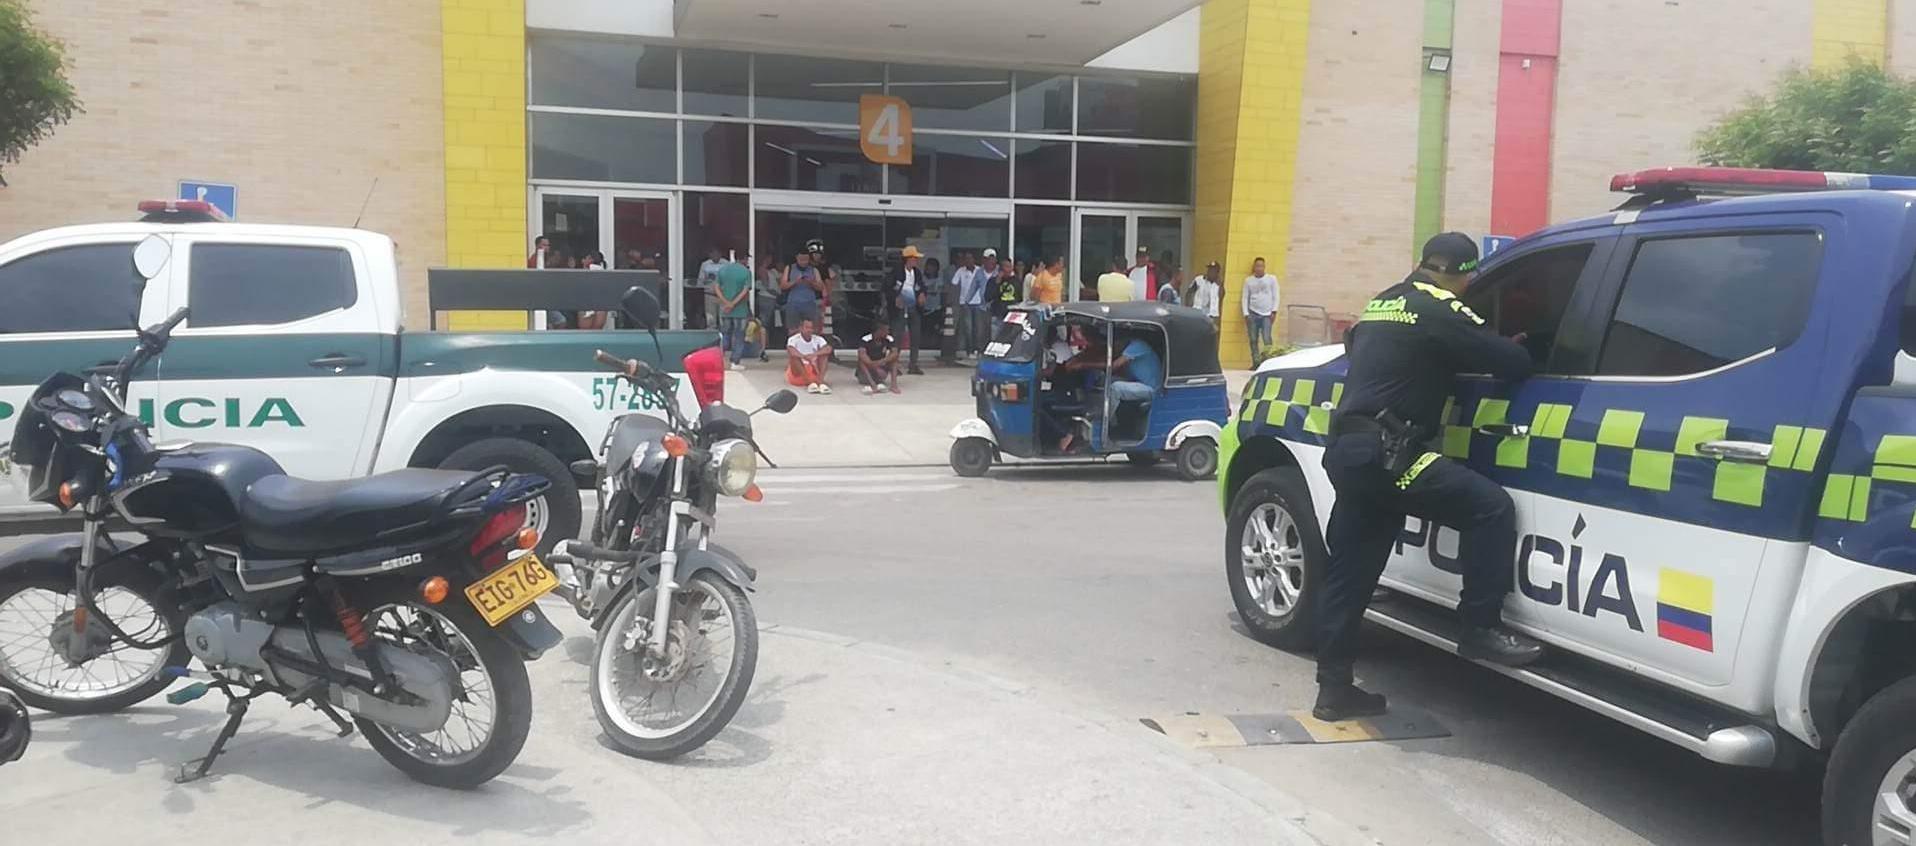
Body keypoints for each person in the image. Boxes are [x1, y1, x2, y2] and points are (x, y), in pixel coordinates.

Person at [1309, 232, 1540, 722]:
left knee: (1349, 575)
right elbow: (1514, 362)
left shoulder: (1383, 301)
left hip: (1349, 451)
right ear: (1464, 273)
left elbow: (1379, 353)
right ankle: (1478, 628)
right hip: (1393, 454)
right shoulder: (1440, 305)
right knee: (1490, 507)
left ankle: (1333, 690)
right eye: (1470, 277)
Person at [885, 245, 930, 375]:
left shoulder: (917, 272)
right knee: (897, 337)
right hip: (899, 308)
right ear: (908, 259)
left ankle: (913, 364)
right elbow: (887, 288)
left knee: (915, 335)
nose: (916, 261)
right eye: (914, 258)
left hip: (913, 307)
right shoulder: (896, 272)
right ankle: (894, 364)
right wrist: (895, 298)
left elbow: (922, 287)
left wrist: (922, 294)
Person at [712, 255, 754, 371]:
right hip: (740, 310)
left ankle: (719, 360)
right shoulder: (746, 272)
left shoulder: (723, 270)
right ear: (744, 259)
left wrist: (726, 302)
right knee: (739, 336)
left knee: (725, 335)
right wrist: (733, 304)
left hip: (725, 310)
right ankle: (735, 362)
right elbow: (745, 290)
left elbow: (716, 287)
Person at [782, 248, 828, 340]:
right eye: (801, 260)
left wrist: (811, 282)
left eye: (806, 260)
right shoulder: (789, 268)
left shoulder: (814, 270)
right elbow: (783, 286)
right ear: (796, 258)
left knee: (812, 329)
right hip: (793, 303)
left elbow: (820, 287)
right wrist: (795, 282)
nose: (803, 262)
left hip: (810, 303)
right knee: (793, 330)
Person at [957, 250, 993, 359]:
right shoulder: (979, 272)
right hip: (969, 304)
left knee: (982, 329)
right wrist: (965, 300)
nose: (968, 260)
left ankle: (984, 351)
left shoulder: (997, 272)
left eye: (970, 258)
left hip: (983, 304)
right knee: (969, 328)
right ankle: (971, 350)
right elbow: (972, 287)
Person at [1242, 257, 1279, 361]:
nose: (1259, 268)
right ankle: (1256, 362)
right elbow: (1245, 297)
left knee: (1267, 338)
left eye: (1261, 266)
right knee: (1253, 339)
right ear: (1254, 267)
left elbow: (1276, 295)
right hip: (1253, 313)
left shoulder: (1271, 279)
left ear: (1264, 267)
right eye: (1257, 266)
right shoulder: (1248, 280)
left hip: (1267, 314)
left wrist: (1274, 311)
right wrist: (1246, 313)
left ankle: (1268, 361)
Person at [786, 318, 833, 394]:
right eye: (807, 327)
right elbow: (791, 351)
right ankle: (809, 383)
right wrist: (804, 357)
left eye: (811, 328)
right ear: (801, 328)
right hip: (798, 373)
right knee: (794, 357)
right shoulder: (793, 339)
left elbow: (828, 349)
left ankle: (820, 382)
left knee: (824, 356)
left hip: (813, 369)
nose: (809, 330)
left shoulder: (818, 339)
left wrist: (814, 355)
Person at [856, 319, 903, 394]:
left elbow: (895, 353)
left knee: (894, 359)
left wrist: (882, 361)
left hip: (880, 366)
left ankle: (894, 385)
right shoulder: (865, 339)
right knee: (861, 360)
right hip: (866, 372)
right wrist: (873, 365)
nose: (888, 332)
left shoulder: (889, 338)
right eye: (886, 330)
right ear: (879, 331)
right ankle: (872, 384)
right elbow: (862, 355)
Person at [756, 256, 783, 361]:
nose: (769, 261)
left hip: (770, 298)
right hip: (766, 298)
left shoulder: (770, 271)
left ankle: (765, 344)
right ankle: (763, 347)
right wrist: (774, 292)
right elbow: (766, 285)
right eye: (767, 259)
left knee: (767, 323)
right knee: (764, 323)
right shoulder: (762, 270)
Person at [1190, 261, 1222, 330]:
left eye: (1213, 270)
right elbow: (1189, 293)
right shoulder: (1199, 279)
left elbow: (1221, 298)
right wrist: (1189, 308)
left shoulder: (1219, 285)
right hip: (1198, 312)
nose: (1210, 272)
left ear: (1217, 273)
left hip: (1212, 315)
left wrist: (1220, 285)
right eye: (1209, 269)